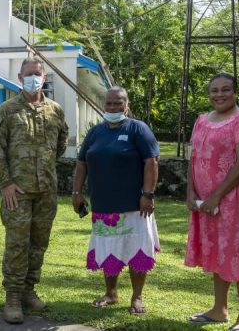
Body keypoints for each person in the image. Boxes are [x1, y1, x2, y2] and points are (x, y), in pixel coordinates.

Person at [0, 56, 69, 324]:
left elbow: (60, 145)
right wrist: (6, 183)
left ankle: (28, 289)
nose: (34, 77)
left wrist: (44, 168)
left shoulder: (55, 110)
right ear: (20, 78)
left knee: (39, 243)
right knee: (17, 243)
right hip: (17, 191)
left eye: (38, 73)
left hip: (46, 189)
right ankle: (12, 295)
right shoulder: (7, 110)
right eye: (28, 74)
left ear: (44, 77)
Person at [72, 86, 161, 315]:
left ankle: (137, 297)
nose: (112, 107)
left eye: (117, 103)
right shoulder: (96, 132)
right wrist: (76, 192)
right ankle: (111, 293)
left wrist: (147, 194)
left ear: (126, 105)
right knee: (109, 249)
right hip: (104, 205)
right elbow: (82, 163)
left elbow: (151, 162)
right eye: (109, 103)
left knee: (136, 250)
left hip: (135, 205)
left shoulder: (137, 129)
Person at [185, 73, 239, 331]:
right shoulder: (201, 121)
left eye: (226, 89)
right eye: (214, 90)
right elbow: (194, 158)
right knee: (219, 251)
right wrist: (191, 192)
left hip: (235, 197)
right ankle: (219, 310)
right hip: (206, 201)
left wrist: (217, 195)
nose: (219, 94)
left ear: (236, 93)